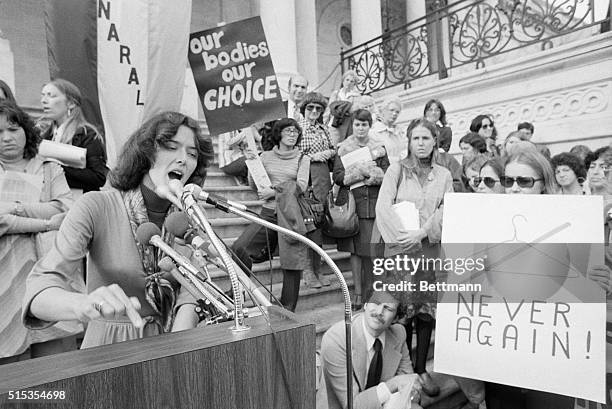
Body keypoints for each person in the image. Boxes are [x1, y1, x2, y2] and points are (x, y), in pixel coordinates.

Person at [23, 111, 214, 348]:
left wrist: (174, 352)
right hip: (110, 349)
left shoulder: (190, 219)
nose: (183, 159)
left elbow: (190, 295)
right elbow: (40, 289)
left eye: (192, 153)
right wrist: (83, 304)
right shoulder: (96, 206)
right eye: (170, 146)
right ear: (145, 152)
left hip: (172, 343)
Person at [375, 118, 453, 397]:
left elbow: (446, 209)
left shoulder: (444, 175)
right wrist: (403, 239)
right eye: (416, 138)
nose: (420, 143)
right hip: (399, 252)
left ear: (435, 142)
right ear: (408, 141)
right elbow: (383, 205)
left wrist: (422, 232)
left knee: (426, 313)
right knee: (399, 313)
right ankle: (401, 372)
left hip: (429, 251)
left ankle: (421, 369)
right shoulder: (396, 170)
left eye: (426, 138)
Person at [0, 102, 77, 362]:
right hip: (5, 273)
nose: (7, 137)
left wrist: (16, 208)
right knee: (13, 371)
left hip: (50, 266)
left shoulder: (48, 166)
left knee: (57, 363)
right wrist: (45, 221)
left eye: (13, 128)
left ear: (25, 130)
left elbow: (65, 208)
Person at [231, 118, 311, 312]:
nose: (293, 134)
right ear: (278, 133)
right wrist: (252, 163)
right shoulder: (265, 156)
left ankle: (287, 309)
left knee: (292, 264)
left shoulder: (303, 158)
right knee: (239, 247)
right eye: (288, 131)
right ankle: (240, 290)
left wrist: (274, 192)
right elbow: (255, 186)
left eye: (295, 131)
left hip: (291, 214)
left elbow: (301, 186)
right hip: (268, 212)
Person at [320, 290, 422, 409]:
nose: (379, 312)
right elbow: (352, 405)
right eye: (376, 303)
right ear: (366, 304)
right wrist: (394, 383)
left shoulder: (398, 334)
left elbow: (409, 386)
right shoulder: (338, 339)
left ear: (396, 318)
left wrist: (410, 392)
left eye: (388, 308)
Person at [333, 109, 389, 310]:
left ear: (369, 126)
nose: (360, 128)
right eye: (357, 124)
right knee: (355, 252)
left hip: (374, 204)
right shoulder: (344, 148)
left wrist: (373, 173)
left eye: (364, 124)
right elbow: (338, 176)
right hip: (353, 205)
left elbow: (388, 173)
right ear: (352, 125)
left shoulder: (379, 148)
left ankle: (373, 292)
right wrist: (358, 172)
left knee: (374, 251)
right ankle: (357, 293)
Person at [40, 79, 107, 194]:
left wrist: (56, 169)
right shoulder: (43, 135)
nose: (43, 101)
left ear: (71, 103)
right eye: (43, 95)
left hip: (78, 203)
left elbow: (98, 177)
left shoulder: (87, 134)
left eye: (51, 96)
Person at [299, 92, 335, 288]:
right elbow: (296, 150)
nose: (314, 112)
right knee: (307, 221)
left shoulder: (323, 128)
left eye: (318, 109)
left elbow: (332, 149)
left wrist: (322, 154)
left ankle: (318, 267)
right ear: (304, 109)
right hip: (306, 175)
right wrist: (312, 157)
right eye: (310, 108)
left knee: (319, 222)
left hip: (322, 177)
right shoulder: (298, 127)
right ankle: (307, 270)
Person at [371, 99, 404, 164]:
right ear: (383, 111)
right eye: (391, 110)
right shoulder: (373, 132)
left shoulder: (400, 131)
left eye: (397, 112)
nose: (394, 114)